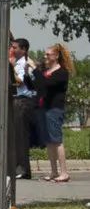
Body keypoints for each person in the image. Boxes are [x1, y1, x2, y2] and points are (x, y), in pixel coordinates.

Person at [36, 43, 74, 182]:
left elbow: (47, 83)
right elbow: (39, 85)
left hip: (54, 109)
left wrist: (36, 70)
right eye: (45, 54)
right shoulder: (47, 71)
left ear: (56, 56)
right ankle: (54, 171)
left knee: (56, 140)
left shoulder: (61, 72)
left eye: (48, 54)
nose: (45, 56)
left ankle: (64, 172)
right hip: (45, 108)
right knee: (49, 142)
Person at [9, 39, 38, 180]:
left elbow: (19, 81)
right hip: (16, 100)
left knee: (21, 135)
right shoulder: (18, 62)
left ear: (23, 49)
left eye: (15, 47)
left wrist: (12, 68)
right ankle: (19, 166)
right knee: (16, 135)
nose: (12, 49)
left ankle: (23, 168)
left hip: (23, 101)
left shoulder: (24, 64)